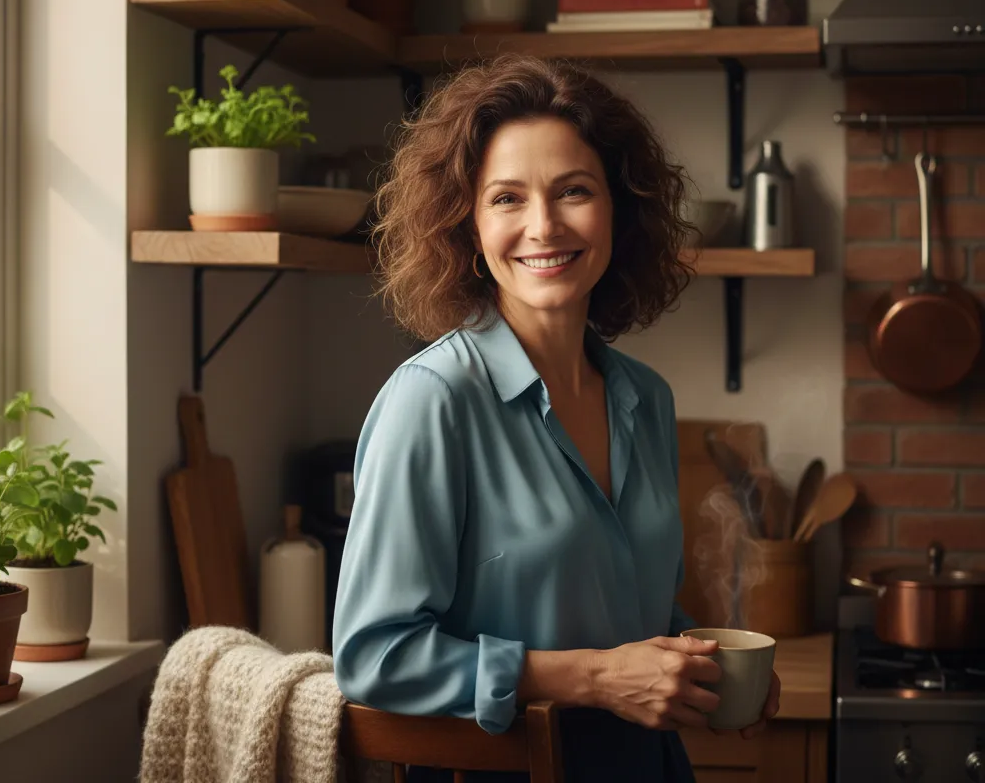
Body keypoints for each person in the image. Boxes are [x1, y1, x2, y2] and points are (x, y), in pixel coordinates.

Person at [333, 55, 779, 781]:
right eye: (507, 198)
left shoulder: (647, 398)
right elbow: (373, 659)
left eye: (574, 190)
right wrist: (596, 679)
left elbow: (626, 618)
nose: (543, 226)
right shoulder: (432, 401)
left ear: (619, 209)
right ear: (467, 224)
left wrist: (701, 671)